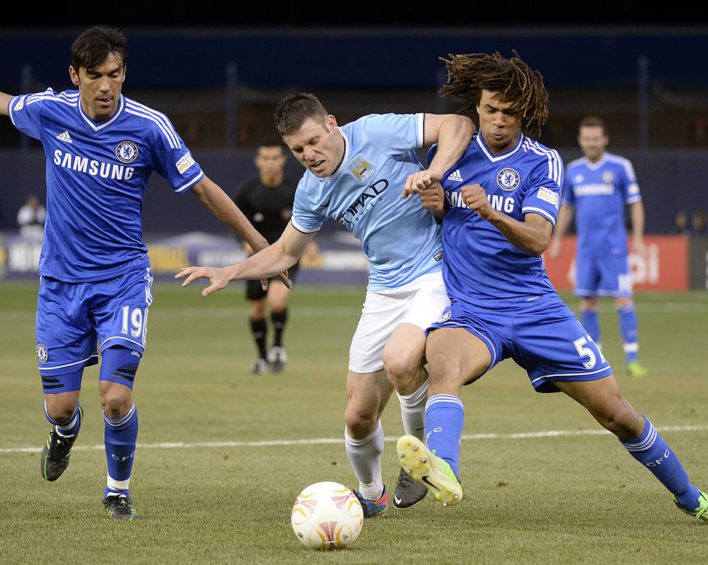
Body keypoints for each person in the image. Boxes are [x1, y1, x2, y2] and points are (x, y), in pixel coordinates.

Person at [396, 52, 708, 528]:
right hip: (473, 310)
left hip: (536, 309)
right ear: (475, 109)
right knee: (442, 364)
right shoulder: (453, 153)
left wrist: (491, 212)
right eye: (489, 110)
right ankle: (445, 470)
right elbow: (443, 219)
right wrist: (440, 207)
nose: (498, 121)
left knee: (617, 414)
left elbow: (538, 240)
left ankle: (694, 499)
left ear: (524, 112)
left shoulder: (543, 162)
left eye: (509, 111)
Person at [0, 26, 274, 521]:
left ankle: (117, 491)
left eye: (115, 74)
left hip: (123, 278)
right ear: (74, 76)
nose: (106, 86)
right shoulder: (48, 110)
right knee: (61, 407)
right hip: (60, 284)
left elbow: (203, 189)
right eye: (95, 76)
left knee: (115, 395)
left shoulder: (150, 127)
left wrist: (261, 246)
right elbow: (5, 104)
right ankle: (63, 433)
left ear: (124, 73)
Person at [176, 93, 475, 516]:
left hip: (435, 271)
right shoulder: (312, 190)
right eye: (297, 150)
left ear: (332, 124)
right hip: (384, 288)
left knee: (401, 361)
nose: (308, 155)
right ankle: (371, 496)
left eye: (314, 142)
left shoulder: (376, 131)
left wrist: (434, 171)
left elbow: (458, 125)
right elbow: (284, 253)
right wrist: (231, 271)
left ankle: (419, 460)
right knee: (357, 416)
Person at [550, 116, 648, 378]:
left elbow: (635, 203)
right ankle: (597, 358)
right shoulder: (573, 170)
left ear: (604, 139)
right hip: (586, 250)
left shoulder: (620, 167)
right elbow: (567, 207)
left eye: (596, 138)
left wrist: (637, 238)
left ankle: (633, 359)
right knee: (588, 302)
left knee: (623, 299)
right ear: (581, 140)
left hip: (614, 248)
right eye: (587, 138)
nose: (591, 143)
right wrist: (557, 239)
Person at [234, 142, 304, 374]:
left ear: (283, 160)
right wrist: (243, 239)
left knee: (277, 300)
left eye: (275, 158)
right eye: (266, 158)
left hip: (287, 253)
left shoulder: (296, 187)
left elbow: (311, 216)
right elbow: (235, 219)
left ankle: (277, 346)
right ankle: (262, 358)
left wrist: (309, 243)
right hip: (257, 257)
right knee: (256, 310)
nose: (271, 163)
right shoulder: (248, 190)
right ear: (258, 161)